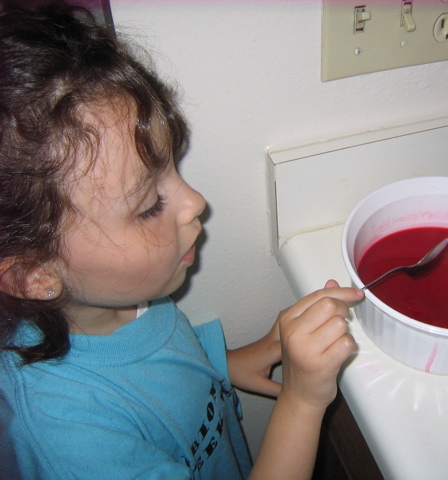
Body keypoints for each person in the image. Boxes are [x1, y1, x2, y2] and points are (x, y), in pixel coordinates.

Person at [0, 4, 363, 480]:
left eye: (173, 169)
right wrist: (303, 401)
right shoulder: (70, 441)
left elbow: (159, 360)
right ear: (36, 276)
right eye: (150, 203)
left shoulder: (122, 298)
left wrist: (234, 361)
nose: (195, 203)